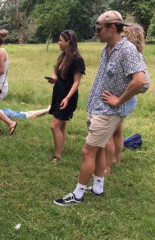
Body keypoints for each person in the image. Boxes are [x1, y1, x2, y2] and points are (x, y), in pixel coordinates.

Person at [54, 11, 147, 206]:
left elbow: (140, 81)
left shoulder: (127, 50)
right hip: (97, 108)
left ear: (112, 28)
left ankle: (77, 194)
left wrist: (118, 100)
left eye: (98, 28)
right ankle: (97, 186)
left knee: (88, 151)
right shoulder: (108, 49)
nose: (96, 32)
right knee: (100, 147)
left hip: (108, 112)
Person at [104, 23, 150, 174]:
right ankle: (116, 159)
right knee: (117, 131)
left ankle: (106, 167)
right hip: (125, 100)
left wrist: (121, 96)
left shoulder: (132, 55)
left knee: (109, 132)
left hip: (123, 101)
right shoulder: (129, 53)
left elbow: (143, 84)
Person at [47, 30, 85, 162]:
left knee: (54, 125)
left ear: (68, 42)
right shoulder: (62, 56)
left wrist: (67, 98)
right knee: (61, 125)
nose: (58, 43)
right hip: (58, 93)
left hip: (67, 97)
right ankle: (60, 149)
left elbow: (76, 82)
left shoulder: (77, 59)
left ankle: (57, 156)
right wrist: (53, 78)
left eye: (60, 40)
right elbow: (58, 74)